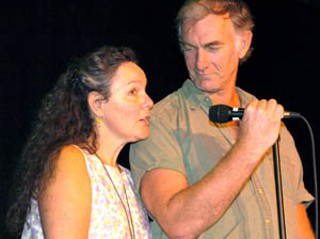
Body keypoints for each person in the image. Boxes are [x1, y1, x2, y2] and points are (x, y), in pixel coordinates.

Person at [129, 0, 315, 238]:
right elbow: (178, 224)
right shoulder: (160, 122)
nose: (200, 63)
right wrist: (249, 147)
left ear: (243, 44)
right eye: (189, 48)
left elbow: (296, 225)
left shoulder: (271, 122)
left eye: (212, 47)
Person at [6, 45, 153, 238]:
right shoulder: (70, 162)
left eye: (145, 91)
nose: (149, 101)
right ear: (97, 104)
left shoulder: (127, 178)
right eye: (133, 92)